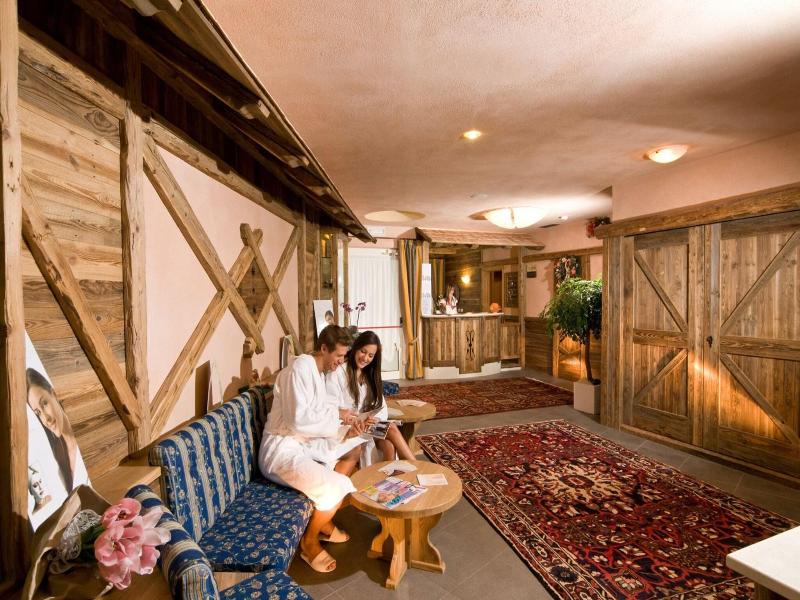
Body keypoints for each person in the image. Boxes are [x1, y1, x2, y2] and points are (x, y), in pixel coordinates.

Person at [258, 325, 366, 574]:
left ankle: (324, 520)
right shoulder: (300, 369)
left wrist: (346, 430)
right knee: (336, 486)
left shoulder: (316, 372)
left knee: (353, 448)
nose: (341, 362)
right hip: (281, 451)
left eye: (344, 357)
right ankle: (309, 541)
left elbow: (316, 412)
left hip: (302, 443)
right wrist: (337, 423)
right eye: (338, 356)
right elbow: (299, 420)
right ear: (324, 348)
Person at [326, 330, 416, 464]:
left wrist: (374, 419)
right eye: (363, 351)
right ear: (356, 348)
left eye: (370, 355)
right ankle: (415, 465)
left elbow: (381, 406)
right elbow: (333, 408)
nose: (365, 358)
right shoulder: (339, 372)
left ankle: (393, 475)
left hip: (368, 426)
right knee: (391, 428)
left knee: (389, 446)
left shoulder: (370, 374)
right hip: (350, 428)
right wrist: (356, 419)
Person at [26, 368, 86, 493]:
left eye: (44, 403)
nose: (46, 418)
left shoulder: (84, 437)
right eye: (38, 413)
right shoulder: (57, 462)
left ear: (54, 394)